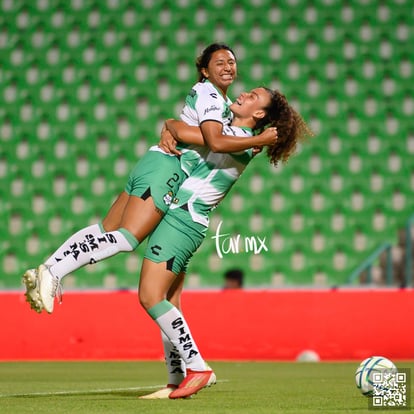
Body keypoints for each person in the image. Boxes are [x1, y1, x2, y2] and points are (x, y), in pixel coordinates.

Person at [23, 43, 276, 313]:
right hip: (169, 167)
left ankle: (48, 269)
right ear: (204, 71)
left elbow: (190, 129)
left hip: (156, 162)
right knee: (128, 237)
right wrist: (257, 138)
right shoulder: (210, 96)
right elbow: (214, 141)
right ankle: (55, 273)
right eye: (219, 63)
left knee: (105, 228)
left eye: (231, 62)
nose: (227, 67)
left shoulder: (224, 105)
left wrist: (171, 125)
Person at [137, 87, 313, 399]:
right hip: (185, 221)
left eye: (254, 96)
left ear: (258, 115)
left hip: (182, 218)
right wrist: (169, 124)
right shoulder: (237, 137)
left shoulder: (235, 141)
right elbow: (179, 128)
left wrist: (171, 126)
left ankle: (198, 367)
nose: (245, 93)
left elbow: (197, 135)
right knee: (170, 301)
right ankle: (176, 379)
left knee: (151, 296)